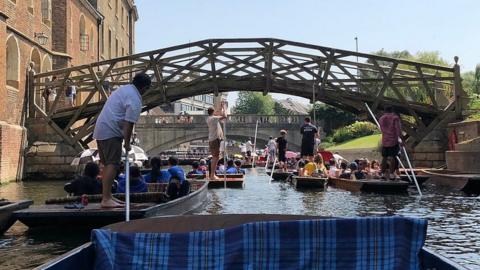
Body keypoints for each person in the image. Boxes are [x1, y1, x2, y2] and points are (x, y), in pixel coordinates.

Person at [92, 72, 151, 208]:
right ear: (145, 88)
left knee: (107, 164)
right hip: (111, 131)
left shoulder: (124, 89)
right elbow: (129, 124)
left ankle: (107, 196)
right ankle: (106, 199)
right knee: (113, 164)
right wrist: (127, 142)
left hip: (101, 129)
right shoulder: (135, 99)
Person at [379, 106, 402, 180]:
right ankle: (392, 174)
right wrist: (402, 140)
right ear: (392, 110)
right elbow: (398, 130)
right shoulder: (395, 118)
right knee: (392, 157)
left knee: (384, 157)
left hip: (385, 141)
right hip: (393, 141)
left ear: (385, 111)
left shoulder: (381, 118)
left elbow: (382, 130)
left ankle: (382, 173)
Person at [206, 102, 226, 180]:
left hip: (212, 139)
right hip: (215, 140)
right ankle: (212, 175)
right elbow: (224, 116)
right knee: (215, 157)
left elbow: (218, 112)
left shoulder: (209, 118)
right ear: (213, 112)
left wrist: (220, 107)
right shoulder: (213, 118)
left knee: (216, 157)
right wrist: (224, 108)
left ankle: (212, 175)